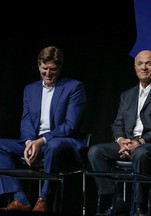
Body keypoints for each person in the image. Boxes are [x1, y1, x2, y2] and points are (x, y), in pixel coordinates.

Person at [88, 50, 151, 216]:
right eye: (140, 63)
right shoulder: (127, 95)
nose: (144, 67)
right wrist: (121, 140)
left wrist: (141, 141)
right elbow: (118, 123)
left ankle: (139, 207)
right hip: (129, 143)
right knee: (96, 151)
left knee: (140, 153)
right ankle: (114, 201)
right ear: (135, 67)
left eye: (148, 63)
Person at [0, 46, 87, 213]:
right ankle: (20, 198)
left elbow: (70, 125)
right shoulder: (30, 89)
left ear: (60, 67)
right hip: (36, 142)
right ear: (38, 66)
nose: (48, 73)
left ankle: (43, 199)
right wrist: (28, 142)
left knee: (53, 146)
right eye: (44, 69)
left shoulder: (74, 87)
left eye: (52, 69)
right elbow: (26, 121)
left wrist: (42, 140)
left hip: (62, 142)